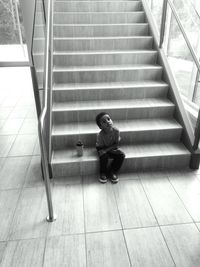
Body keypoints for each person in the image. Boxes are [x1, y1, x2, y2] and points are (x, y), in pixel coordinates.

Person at [95, 112, 125, 183]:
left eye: (108, 119)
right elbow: (101, 149)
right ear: (100, 127)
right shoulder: (100, 135)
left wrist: (112, 150)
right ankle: (103, 172)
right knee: (103, 156)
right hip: (101, 147)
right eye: (104, 122)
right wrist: (108, 151)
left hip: (112, 146)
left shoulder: (116, 131)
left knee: (121, 155)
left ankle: (113, 171)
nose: (108, 122)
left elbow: (116, 144)